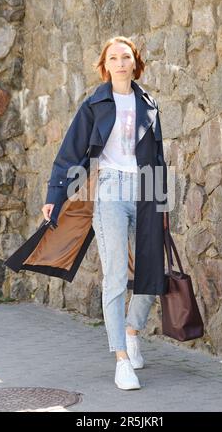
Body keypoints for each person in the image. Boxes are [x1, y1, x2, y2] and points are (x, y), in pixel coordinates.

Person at [41, 36, 167, 391]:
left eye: (126, 57)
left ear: (135, 62)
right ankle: (121, 360)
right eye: (114, 58)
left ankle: (131, 331)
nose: (121, 62)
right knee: (114, 276)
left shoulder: (148, 103)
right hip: (110, 189)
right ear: (105, 65)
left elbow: (158, 158)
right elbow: (71, 152)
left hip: (145, 191)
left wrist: (162, 204)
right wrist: (55, 194)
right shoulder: (94, 104)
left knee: (150, 270)